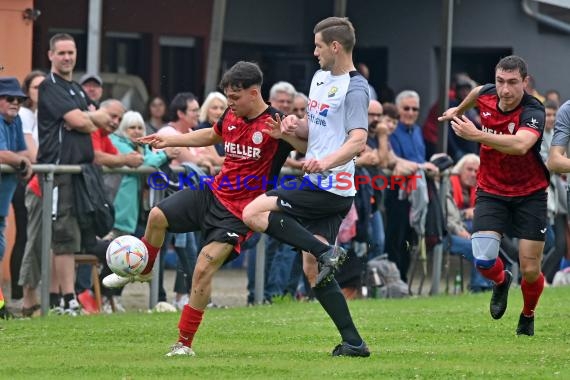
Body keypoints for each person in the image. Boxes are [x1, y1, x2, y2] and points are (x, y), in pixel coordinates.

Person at [103, 61, 304, 357]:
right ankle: (143, 268)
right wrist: (170, 139)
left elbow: (309, 143)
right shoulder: (232, 115)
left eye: (235, 98)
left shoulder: (276, 121)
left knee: (202, 269)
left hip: (241, 211)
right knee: (157, 216)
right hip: (213, 192)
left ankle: (183, 344)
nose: (230, 104)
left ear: (253, 92)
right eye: (227, 98)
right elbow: (212, 134)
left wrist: (286, 136)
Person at [242, 16, 370, 357]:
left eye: (317, 46)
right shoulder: (318, 79)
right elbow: (315, 140)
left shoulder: (356, 89)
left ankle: (326, 250)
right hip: (321, 181)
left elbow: (358, 142)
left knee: (252, 212)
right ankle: (354, 343)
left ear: (335, 46)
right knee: (313, 271)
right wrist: (287, 131)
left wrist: (326, 161)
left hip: (329, 184)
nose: (313, 52)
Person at [439, 55, 548, 336]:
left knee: (531, 269)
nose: (505, 90)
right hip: (491, 189)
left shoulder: (533, 110)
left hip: (530, 192)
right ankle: (501, 281)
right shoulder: (487, 93)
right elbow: (477, 93)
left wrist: (477, 136)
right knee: (484, 260)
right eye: (500, 81)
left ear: (525, 82)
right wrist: (458, 109)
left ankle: (527, 314)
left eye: (513, 83)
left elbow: (521, 145)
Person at [37, 33, 112, 315]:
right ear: (51, 55)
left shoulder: (77, 89)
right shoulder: (49, 86)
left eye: (71, 52)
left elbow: (98, 123)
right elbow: (81, 120)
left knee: (76, 236)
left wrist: (85, 119)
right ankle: (67, 299)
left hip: (81, 173)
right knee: (63, 236)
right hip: (58, 172)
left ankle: (63, 298)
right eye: (62, 53)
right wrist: (85, 118)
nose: (67, 57)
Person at [0, 77, 33, 319]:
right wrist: (21, 161)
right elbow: (5, 154)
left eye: (19, 100)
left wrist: (21, 159)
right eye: (9, 98)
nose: (15, 103)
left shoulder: (16, 119)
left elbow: (22, 152)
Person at [547, 100, 570, 276]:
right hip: (550, 195)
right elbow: (553, 161)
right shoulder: (567, 110)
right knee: (553, 243)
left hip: (560, 195)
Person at [197, 91, 227, 156]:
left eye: (222, 108)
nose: (219, 112)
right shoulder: (201, 129)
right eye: (214, 108)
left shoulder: (229, 130)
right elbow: (216, 159)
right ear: (207, 110)